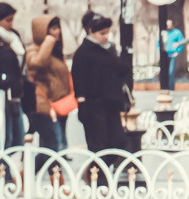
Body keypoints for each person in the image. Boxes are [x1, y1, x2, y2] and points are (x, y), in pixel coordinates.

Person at [72, 12, 131, 167]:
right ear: (91, 31)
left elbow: (122, 69)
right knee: (99, 146)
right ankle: (98, 180)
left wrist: (119, 52)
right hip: (93, 106)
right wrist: (82, 103)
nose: (106, 37)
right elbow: (78, 80)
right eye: (102, 33)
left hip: (112, 104)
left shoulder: (108, 50)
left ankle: (95, 173)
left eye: (107, 33)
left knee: (119, 142)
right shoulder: (83, 52)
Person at [25, 14, 72, 157]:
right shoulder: (34, 51)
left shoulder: (56, 52)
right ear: (42, 31)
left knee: (58, 147)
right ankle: (27, 174)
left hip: (60, 105)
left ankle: (56, 178)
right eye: (53, 28)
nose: (57, 32)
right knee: (53, 147)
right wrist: (48, 41)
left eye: (58, 28)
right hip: (45, 106)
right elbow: (38, 63)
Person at [0, 3, 25, 155]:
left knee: (18, 137)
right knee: (6, 136)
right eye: (8, 20)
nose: (11, 24)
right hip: (4, 94)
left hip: (15, 94)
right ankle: (5, 173)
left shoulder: (14, 37)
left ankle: (7, 171)